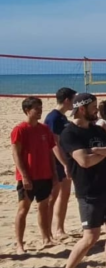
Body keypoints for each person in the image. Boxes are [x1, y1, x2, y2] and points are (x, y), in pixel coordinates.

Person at [56, 93, 106, 268]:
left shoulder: (96, 130)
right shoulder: (69, 133)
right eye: (93, 106)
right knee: (90, 237)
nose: (97, 110)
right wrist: (102, 152)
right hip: (88, 190)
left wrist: (97, 151)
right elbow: (84, 162)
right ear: (82, 108)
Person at [11, 97, 58, 254]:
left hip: (44, 175)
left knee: (43, 207)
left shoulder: (44, 129)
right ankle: (19, 244)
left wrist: (54, 174)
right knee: (23, 209)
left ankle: (46, 238)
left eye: (40, 107)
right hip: (28, 176)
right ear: (27, 110)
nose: (39, 110)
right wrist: (24, 175)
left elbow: (51, 153)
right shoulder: (20, 129)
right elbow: (16, 154)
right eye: (36, 108)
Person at [45, 87, 76, 239]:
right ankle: (48, 232)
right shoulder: (53, 118)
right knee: (52, 197)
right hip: (54, 162)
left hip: (65, 160)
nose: (74, 103)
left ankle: (59, 229)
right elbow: (53, 144)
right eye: (73, 99)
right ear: (66, 100)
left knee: (64, 195)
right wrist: (64, 163)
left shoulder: (63, 118)